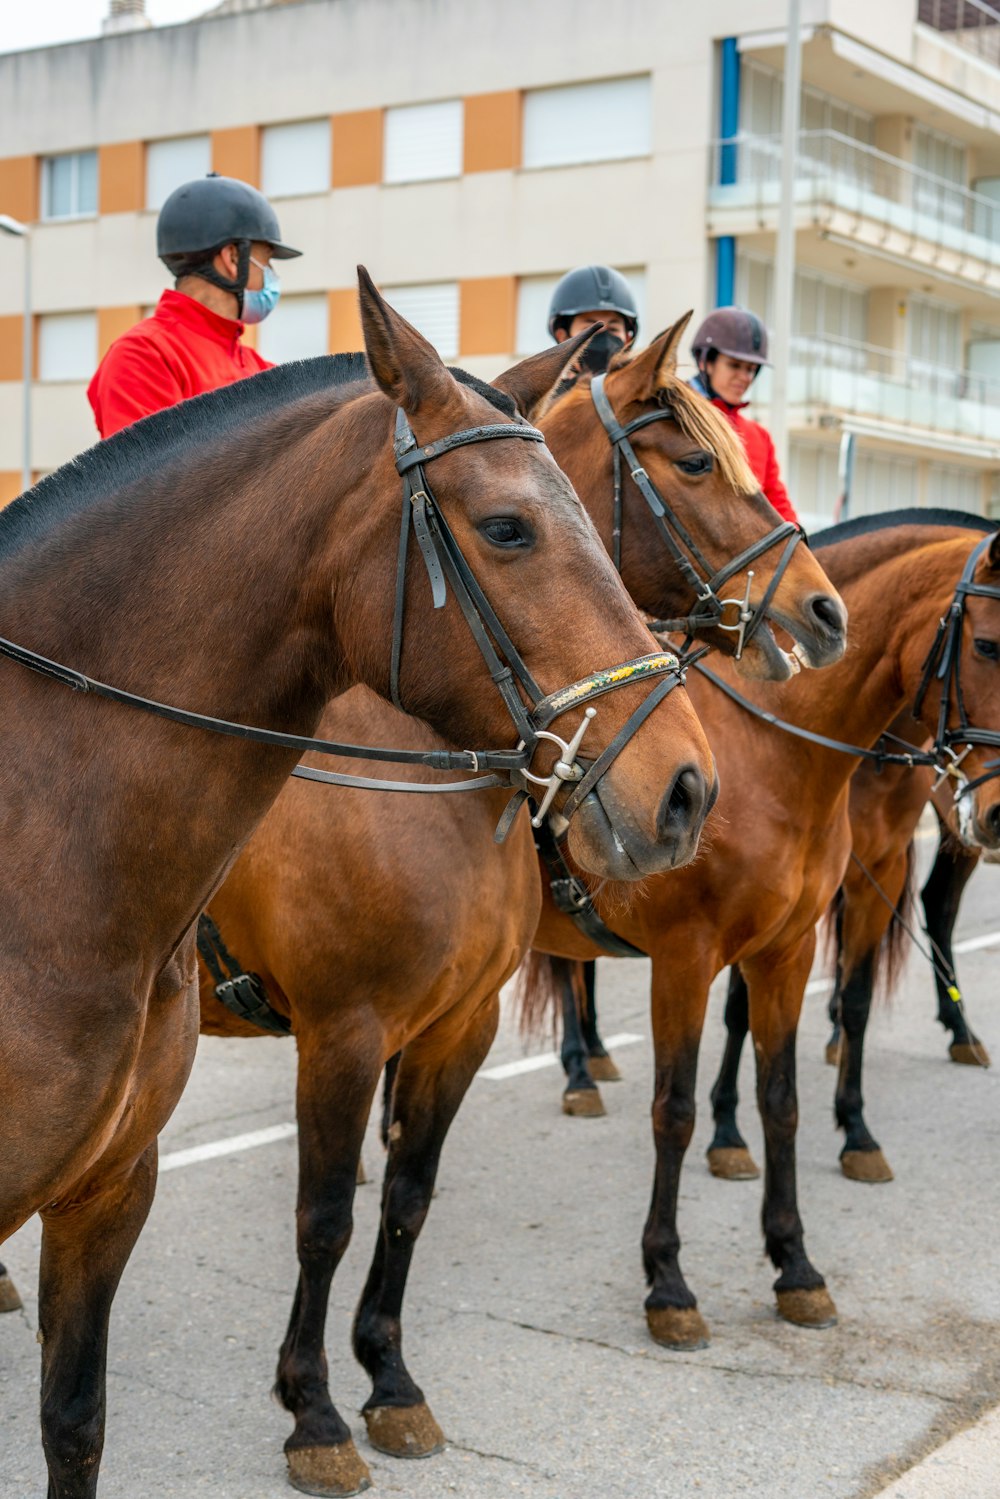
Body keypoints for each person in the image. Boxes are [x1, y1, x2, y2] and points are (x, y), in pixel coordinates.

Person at [88, 173, 301, 439]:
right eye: (266, 261)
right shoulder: (142, 356)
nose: (271, 275)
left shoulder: (259, 368)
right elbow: (153, 479)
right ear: (233, 258)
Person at [688, 306, 799, 526]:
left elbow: (777, 503)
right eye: (734, 365)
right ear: (705, 362)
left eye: (751, 369)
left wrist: (798, 542)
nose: (744, 377)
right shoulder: (673, 417)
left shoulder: (759, 437)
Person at [548, 264, 639, 391]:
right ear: (564, 338)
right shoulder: (542, 405)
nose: (604, 338)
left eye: (613, 329)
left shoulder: (643, 396)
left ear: (628, 339)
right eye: (592, 329)